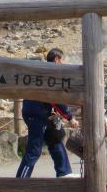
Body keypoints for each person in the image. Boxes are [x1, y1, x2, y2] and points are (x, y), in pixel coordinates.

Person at [15, 48, 80, 182]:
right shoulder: (50, 74)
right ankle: (20, 183)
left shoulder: (44, 71)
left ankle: (64, 172)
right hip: (36, 114)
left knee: (56, 140)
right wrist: (69, 117)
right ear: (57, 59)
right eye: (62, 60)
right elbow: (55, 99)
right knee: (34, 149)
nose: (63, 63)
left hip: (43, 112)